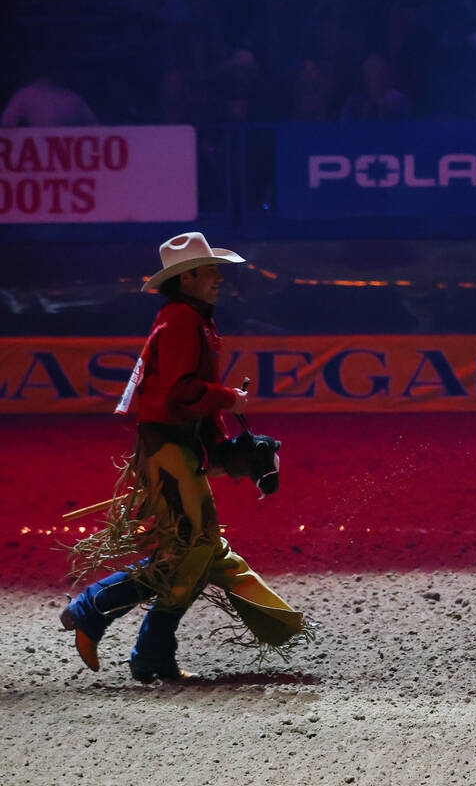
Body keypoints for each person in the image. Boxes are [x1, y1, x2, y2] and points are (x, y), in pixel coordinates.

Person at [60, 232, 312, 683]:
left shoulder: (189, 319)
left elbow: (182, 397)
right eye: (211, 270)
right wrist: (228, 398)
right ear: (187, 277)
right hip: (167, 448)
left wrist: (221, 450)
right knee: (195, 549)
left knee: (198, 551)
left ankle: (141, 646)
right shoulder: (182, 320)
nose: (218, 278)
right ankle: (102, 613)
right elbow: (180, 391)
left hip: (173, 447)